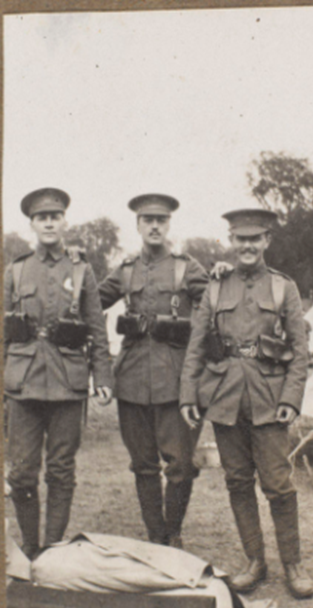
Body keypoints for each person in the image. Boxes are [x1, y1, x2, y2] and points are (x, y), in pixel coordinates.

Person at [180, 208, 313, 599]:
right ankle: (255, 561)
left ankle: (293, 564)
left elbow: (300, 350)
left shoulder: (282, 287)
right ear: (231, 241)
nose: (247, 246)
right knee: (238, 482)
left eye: (255, 239)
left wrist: (291, 397)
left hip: (270, 397)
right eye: (240, 239)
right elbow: (197, 344)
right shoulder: (215, 286)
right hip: (225, 398)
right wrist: (189, 394)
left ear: (267, 241)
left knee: (278, 485)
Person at [4, 188, 113, 559]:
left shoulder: (82, 270)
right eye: (42, 217)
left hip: (68, 382)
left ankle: (50, 550)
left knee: (62, 471)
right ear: (32, 224)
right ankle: (31, 546)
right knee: (21, 474)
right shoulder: (15, 270)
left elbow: (97, 328)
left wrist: (104, 378)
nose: (49, 222)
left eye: (55, 216)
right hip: (23, 382)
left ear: (65, 221)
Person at [98, 194, 209, 548]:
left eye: (161, 219)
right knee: (143, 464)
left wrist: (224, 276)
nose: (155, 226)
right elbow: (90, 302)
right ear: (138, 225)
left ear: (169, 224)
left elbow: (216, 306)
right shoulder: (126, 269)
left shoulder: (185, 267)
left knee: (180, 464)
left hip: (175, 381)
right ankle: (155, 536)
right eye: (148, 220)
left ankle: (172, 532)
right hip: (131, 379)